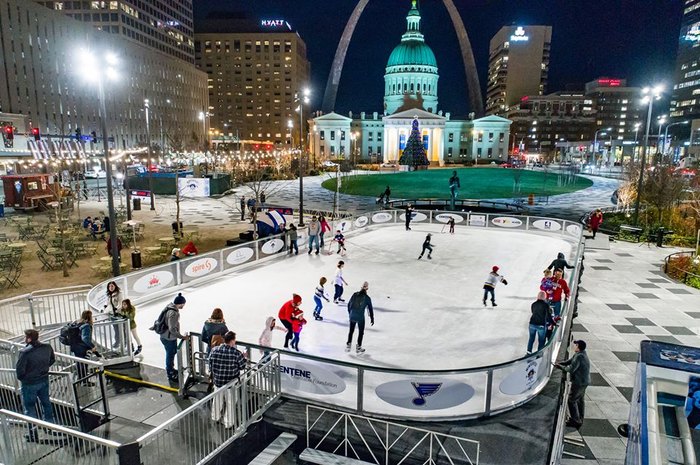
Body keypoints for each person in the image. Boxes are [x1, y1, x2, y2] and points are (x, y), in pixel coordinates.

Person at [16, 329, 55, 442]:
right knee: (46, 403)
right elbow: (52, 360)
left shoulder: (25, 352)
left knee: (30, 408)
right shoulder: (47, 347)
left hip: (30, 384)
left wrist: (26, 378)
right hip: (44, 380)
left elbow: (20, 372)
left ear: (28, 339)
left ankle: (33, 433)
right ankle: (49, 426)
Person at [208, 331, 247, 429]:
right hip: (231, 384)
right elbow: (242, 366)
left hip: (218, 382)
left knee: (217, 400)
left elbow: (210, 364)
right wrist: (244, 357)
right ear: (232, 341)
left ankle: (215, 417)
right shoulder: (236, 353)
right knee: (230, 403)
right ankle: (228, 423)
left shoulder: (214, 350)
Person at [554, 340, 591, 429]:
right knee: (580, 400)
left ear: (579, 347)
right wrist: (562, 363)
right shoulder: (580, 354)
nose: (574, 346)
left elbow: (571, 369)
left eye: (576, 345)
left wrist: (560, 367)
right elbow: (570, 361)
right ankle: (580, 418)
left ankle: (575, 420)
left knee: (572, 400)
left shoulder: (580, 357)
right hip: (584, 381)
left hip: (579, 382)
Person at [160, 293, 189, 382]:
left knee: (171, 354)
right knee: (170, 354)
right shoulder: (174, 313)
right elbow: (172, 328)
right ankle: (170, 373)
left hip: (164, 336)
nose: (184, 306)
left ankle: (171, 369)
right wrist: (182, 337)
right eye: (183, 304)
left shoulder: (169, 307)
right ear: (180, 303)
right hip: (169, 338)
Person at [346, 282, 374, 354]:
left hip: (352, 315)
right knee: (361, 332)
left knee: (351, 331)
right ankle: (358, 347)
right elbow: (370, 309)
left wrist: (350, 314)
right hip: (360, 317)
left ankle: (348, 345)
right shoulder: (367, 298)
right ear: (367, 288)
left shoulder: (355, 294)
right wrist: (372, 318)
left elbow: (349, 305)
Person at [70, 310, 97, 382]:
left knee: (79, 363)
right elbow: (85, 339)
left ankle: (81, 378)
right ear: (89, 317)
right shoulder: (86, 326)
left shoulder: (78, 322)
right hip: (81, 347)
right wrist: (92, 346)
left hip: (75, 346)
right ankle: (84, 380)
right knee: (83, 364)